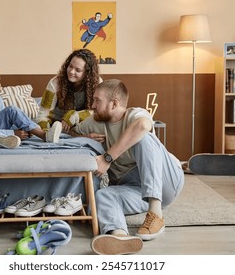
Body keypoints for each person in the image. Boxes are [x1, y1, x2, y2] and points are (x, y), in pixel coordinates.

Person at [70, 79, 185, 255]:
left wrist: (107, 158)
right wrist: (87, 137)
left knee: (143, 137)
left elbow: (143, 126)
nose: (92, 105)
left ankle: (155, 214)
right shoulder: (95, 121)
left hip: (166, 181)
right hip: (134, 189)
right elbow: (70, 131)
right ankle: (119, 237)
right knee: (103, 194)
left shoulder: (135, 115)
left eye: (97, 101)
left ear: (114, 103)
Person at [0, 59, 62, 148]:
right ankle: (44, 135)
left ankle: (5, 140)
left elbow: (4, 122)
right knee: (11, 110)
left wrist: (21, 130)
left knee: (23, 123)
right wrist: (12, 133)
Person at [35, 48, 101, 134]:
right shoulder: (55, 83)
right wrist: (46, 132)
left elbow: (98, 111)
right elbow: (43, 114)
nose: (71, 72)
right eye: (70, 66)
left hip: (82, 126)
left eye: (78, 70)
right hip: (56, 127)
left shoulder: (97, 83)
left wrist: (74, 116)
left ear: (87, 73)